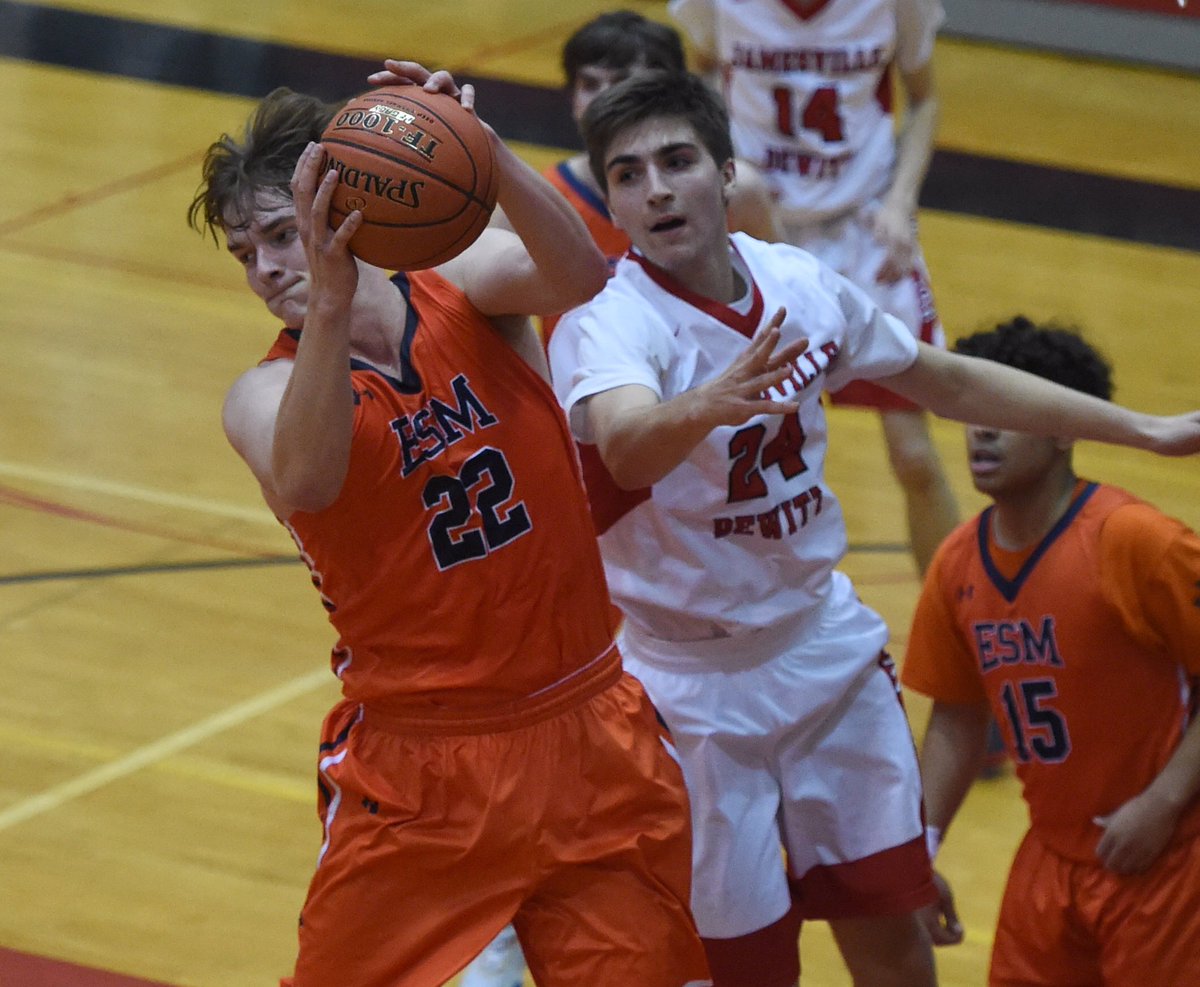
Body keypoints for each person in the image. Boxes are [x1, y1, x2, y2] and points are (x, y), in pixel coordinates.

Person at [546, 70, 1200, 987]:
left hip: (820, 655)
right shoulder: (607, 325)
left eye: (676, 161)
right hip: (688, 689)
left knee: (893, 937)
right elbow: (623, 446)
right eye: (627, 174)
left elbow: (949, 378)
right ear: (611, 199)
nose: (654, 188)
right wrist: (707, 403)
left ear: (727, 174)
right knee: (743, 969)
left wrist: (1142, 428)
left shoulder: (799, 283)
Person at [188, 60, 712, 987]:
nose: (269, 268)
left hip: (589, 726)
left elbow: (582, 273)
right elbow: (307, 478)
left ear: (351, 206)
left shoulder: (461, 280)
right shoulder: (262, 391)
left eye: (282, 233)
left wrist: (483, 153)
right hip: (423, 769)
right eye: (248, 252)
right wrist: (333, 293)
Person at [901, 317, 1200, 985]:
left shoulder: (1133, 539)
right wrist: (918, 853)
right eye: (972, 410)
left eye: (1003, 410)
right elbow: (955, 713)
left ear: (1066, 426)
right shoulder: (956, 562)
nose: (980, 428)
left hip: (1170, 851)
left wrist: (1162, 802)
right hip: (1051, 859)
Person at [668, 0, 959, 576]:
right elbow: (699, 72)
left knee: (915, 457)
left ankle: (949, 635)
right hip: (756, 232)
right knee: (735, 456)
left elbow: (924, 99)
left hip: (864, 230)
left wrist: (902, 204)